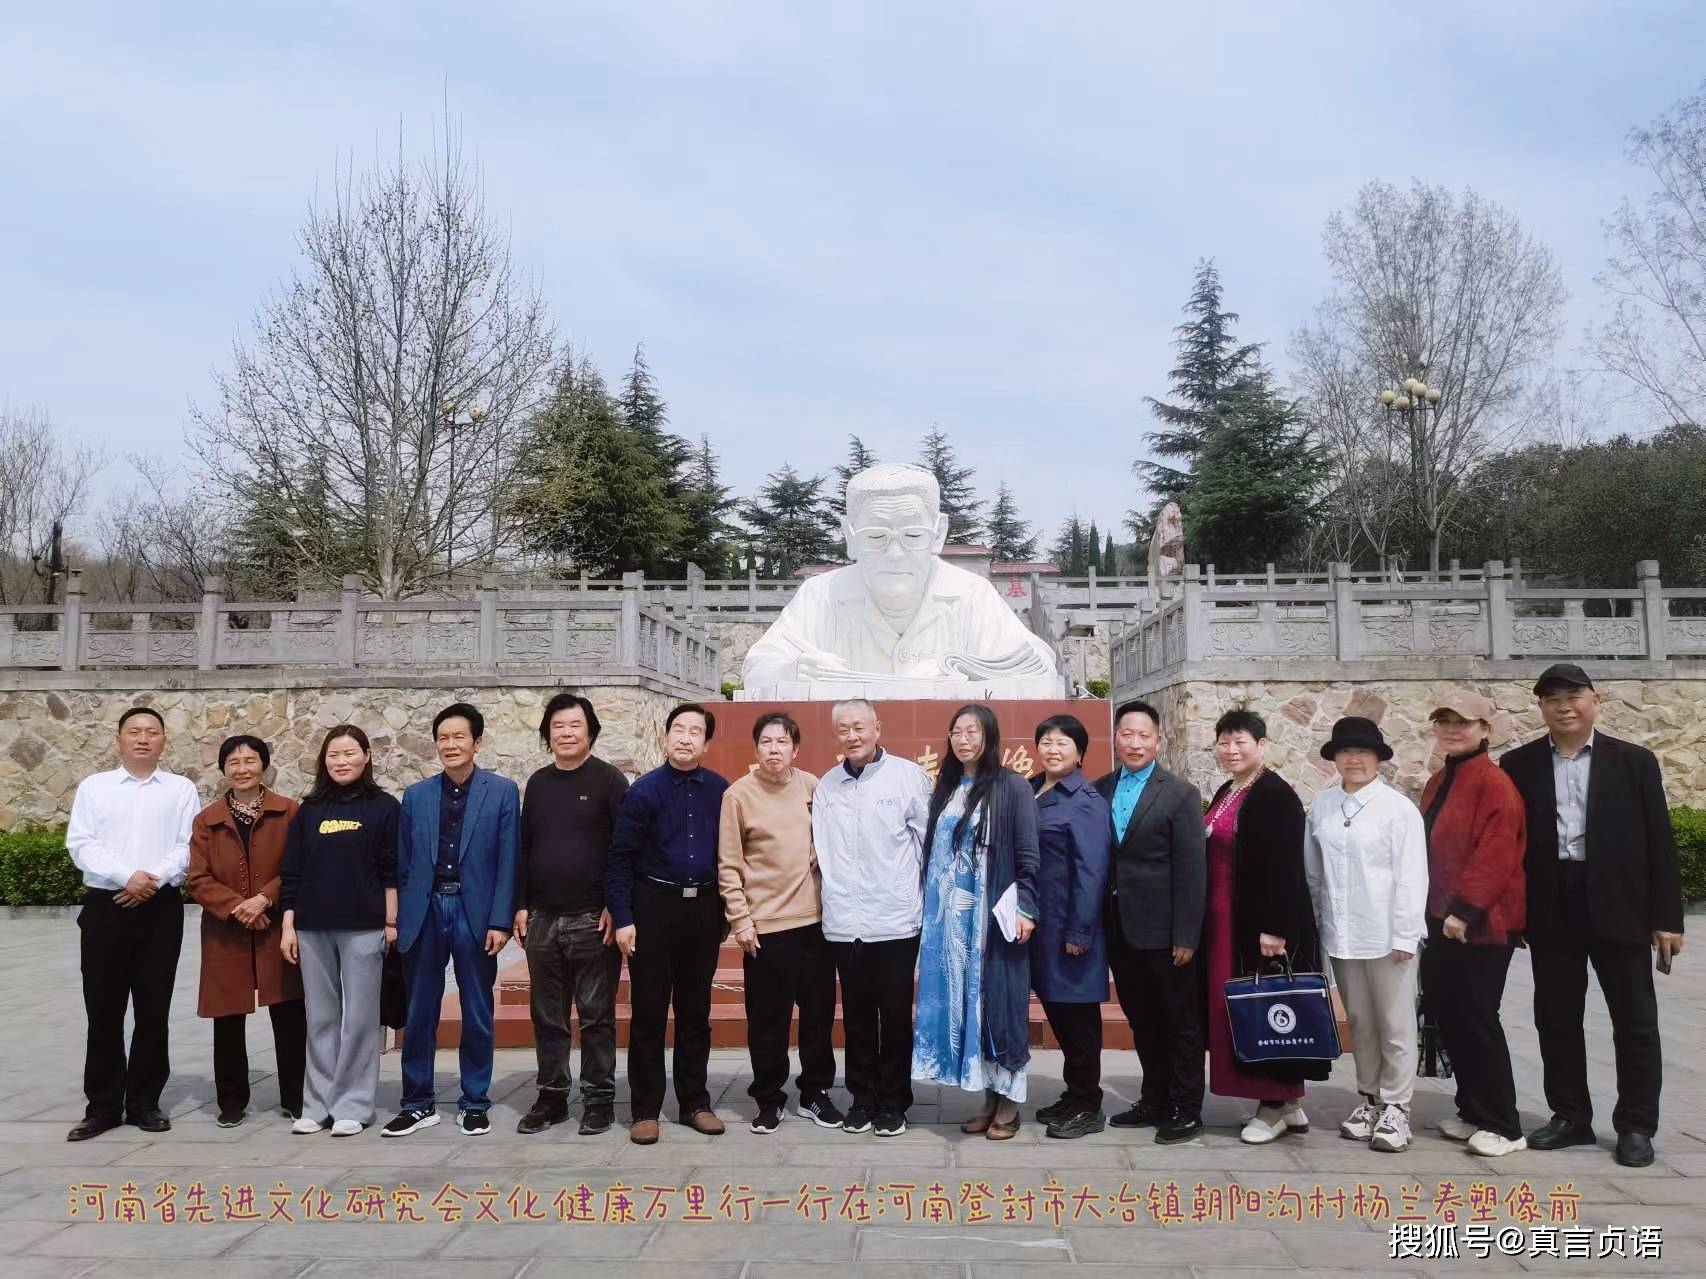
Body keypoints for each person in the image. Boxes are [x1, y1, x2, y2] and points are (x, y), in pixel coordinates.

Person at [1501, 663, 1684, 1169]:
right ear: (1539, 707)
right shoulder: (1518, 765)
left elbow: (1659, 842)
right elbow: (1509, 845)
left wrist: (1668, 918)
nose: (1564, 706)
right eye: (1552, 698)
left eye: (1573, 695)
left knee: (1636, 1021)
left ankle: (1635, 1125)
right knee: (1556, 1016)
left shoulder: (1633, 763)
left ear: (1594, 699)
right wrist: (1511, 914)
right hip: (1552, 903)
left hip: (1619, 903)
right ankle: (1570, 1116)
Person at [740, 463, 1057, 693]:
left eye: (913, 534)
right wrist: (794, 669)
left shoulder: (970, 594)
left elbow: (1038, 663)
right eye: (875, 535)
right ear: (849, 536)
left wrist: (960, 666)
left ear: (938, 534)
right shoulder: (820, 595)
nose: (894, 553)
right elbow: (757, 669)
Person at [65, 706, 200, 1142]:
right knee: (103, 1009)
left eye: (152, 732)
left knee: (152, 1008)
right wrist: (128, 877)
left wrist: (152, 879)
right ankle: (102, 1106)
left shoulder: (180, 789)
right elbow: (81, 842)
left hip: (159, 909)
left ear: (163, 740)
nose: (143, 738)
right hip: (107, 907)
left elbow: (188, 844)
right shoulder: (95, 787)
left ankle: (144, 1102)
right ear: (119, 739)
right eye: (134, 731)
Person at [384, 703, 520, 1138]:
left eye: (459, 737)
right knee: (419, 1010)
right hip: (425, 912)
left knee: (477, 1009)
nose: (450, 745)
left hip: (474, 912)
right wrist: (402, 917)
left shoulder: (501, 791)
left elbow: (508, 860)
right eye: (443, 738)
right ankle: (417, 1101)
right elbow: (404, 864)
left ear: (477, 742)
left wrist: (499, 921)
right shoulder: (417, 796)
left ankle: (475, 1099)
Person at [1200, 710, 1328, 1145]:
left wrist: (1275, 929)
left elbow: (1285, 869)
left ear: (1261, 744)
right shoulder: (1228, 790)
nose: (1231, 750)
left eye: (1241, 742)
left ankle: (1271, 1103)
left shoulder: (1275, 795)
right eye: (1224, 742)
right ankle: (1288, 1101)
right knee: (1240, 1009)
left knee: (1269, 1007)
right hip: (1224, 921)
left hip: (1261, 928)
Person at [1302, 716, 1427, 1154]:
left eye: (1363, 752)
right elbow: (1313, 872)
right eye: (1345, 751)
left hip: (1388, 934)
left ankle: (1397, 1108)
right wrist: (1318, 930)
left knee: (1395, 1022)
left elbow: (1413, 875)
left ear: (1378, 759)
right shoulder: (1322, 805)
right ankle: (1370, 1098)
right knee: (1360, 1021)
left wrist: (1406, 934)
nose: (1353, 759)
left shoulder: (1398, 809)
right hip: (1342, 933)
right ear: (1334, 758)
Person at [913, 704, 1039, 1139]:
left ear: (990, 736)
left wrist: (1026, 909)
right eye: (956, 732)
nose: (963, 739)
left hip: (990, 922)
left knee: (1000, 1007)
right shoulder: (947, 787)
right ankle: (988, 1096)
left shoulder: (1013, 788)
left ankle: (1010, 1102)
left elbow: (1028, 856)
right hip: (948, 924)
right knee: (969, 1010)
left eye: (973, 731)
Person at [607, 703, 730, 1145]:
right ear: (665, 736)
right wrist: (623, 918)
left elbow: (732, 854)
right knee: (649, 1014)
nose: (685, 738)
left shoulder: (721, 791)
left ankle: (695, 1102)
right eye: (678, 729)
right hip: (653, 908)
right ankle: (645, 1109)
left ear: (706, 742)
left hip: (704, 910)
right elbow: (620, 859)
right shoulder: (643, 792)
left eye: (695, 731)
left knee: (696, 1014)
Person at [717, 711, 843, 1134]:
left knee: (818, 1016)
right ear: (756, 749)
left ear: (795, 748)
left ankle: (814, 1093)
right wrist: (741, 920)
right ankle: (769, 1099)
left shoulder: (812, 786)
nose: (775, 749)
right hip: (765, 928)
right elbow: (729, 865)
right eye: (767, 742)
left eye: (782, 742)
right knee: (768, 1021)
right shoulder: (738, 796)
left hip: (815, 925)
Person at [512, 692, 630, 1137]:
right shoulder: (539, 783)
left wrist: (616, 908)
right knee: (548, 1015)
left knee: (597, 1015)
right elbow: (524, 848)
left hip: (592, 920)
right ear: (548, 734)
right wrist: (521, 905)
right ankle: (552, 1097)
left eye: (574, 725)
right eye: (557, 726)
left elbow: (624, 851)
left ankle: (599, 1100)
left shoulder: (609, 781)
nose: (565, 733)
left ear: (591, 731)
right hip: (542, 919)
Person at [813, 697, 931, 1137]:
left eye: (860, 727)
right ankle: (862, 1099)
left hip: (896, 920)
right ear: (835, 734)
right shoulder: (828, 785)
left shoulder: (908, 777)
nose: (852, 736)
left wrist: (917, 902)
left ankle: (894, 1102)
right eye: (843, 729)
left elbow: (926, 845)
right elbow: (822, 849)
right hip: (845, 922)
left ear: (877, 728)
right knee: (857, 1016)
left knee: (896, 1015)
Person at [1418, 690, 1527, 1158]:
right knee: (1450, 1014)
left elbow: (1496, 853)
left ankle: (1504, 1123)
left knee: (1478, 1017)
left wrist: (1464, 910)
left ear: (1485, 730)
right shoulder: (1441, 778)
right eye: (1444, 721)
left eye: (1462, 722)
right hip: (1440, 921)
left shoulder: (1494, 783)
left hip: (1479, 925)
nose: (1452, 729)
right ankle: (1472, 1109)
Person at [1094, 700, 1206, 1144]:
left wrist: (1186, 934)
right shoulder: (1100, 789)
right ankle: (1153, 1098)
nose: (1134, 742)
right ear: (1116, 738)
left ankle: (1185, 1106)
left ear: (1157, 741)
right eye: (1127, 734)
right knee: (1142, 1019)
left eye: (1144, 735)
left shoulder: (1179, 793)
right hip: (1120, 928)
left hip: (1166, 932)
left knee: (1179, 1020)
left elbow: (1191, 868)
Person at [279, 724, 399, 1137]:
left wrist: (390, 921)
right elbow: (290, 872)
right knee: (321, 1017)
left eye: (350, 753)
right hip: (312, 927)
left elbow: (391, 869)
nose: (341, 761)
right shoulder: (309, 810)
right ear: (323, 760)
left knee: (361, 1018)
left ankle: (354, 1104)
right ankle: (317, 1103)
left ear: (366, 756)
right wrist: (288, 925)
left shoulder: (384, 807)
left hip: (364, 926)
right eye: (334, 755)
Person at [186, 734, 305, 1127]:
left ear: (264, 765)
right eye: (233, 762)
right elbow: (198, 878)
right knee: (228, 1016)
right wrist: (238, 906)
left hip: (275, 926)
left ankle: (296, 1095)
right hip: (226, 930)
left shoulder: (288, 812)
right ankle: (232, 1101)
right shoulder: (207, 819)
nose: (242, 768)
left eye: (250, 760)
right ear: (224, 770)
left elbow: (297, 867)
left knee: (288, 1012)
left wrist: (264, 900)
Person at [1030, 713, 1112, 1140]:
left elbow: (1092, 871)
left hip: (1069, 932)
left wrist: (1080, 932)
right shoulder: (1031, 790)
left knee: (1079, 1021)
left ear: (1080, 753)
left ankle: (1088, 1103)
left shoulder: (1084, 800)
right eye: (1046, 741)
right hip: (1038, 930)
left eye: (1063, 742)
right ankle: (1074, 1092)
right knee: (1060, 1015)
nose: (1053, 749)